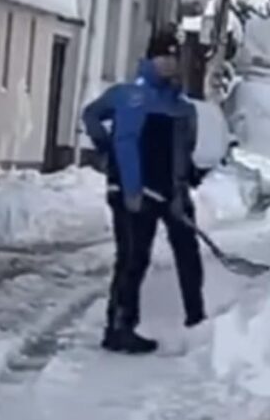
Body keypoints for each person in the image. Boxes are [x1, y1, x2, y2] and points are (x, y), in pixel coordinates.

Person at [82, 29, 206, 354]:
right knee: (133, 257)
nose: (170, 63)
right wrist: (114, 161)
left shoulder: (180, 105)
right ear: (151, 58)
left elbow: (184, 148)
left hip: (170, 191)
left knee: (187, 251)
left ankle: (198, 320)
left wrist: (188, 174)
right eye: (163, 56)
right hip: (134, 193)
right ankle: (119, 326)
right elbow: (118, 137)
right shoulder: (132, 97)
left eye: (174, 56)